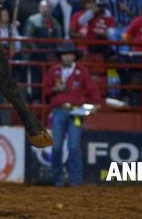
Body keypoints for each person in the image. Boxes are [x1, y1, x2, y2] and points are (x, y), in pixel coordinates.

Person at [43, 41, 101, 187]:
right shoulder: (53, 71)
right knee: (56, 146)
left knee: (73, 146)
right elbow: (46, 90)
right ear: (61, 57)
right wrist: (55, 89)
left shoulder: (82, 72)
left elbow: (92, 89)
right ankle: (58, 179)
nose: (66, 57)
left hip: (76, 111)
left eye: (69, 54)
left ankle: (76, 181)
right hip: (59, 110)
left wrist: (96, 104)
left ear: (74, 56)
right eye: (64, 55)